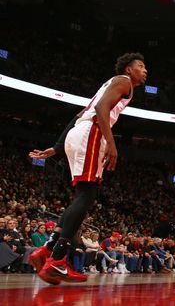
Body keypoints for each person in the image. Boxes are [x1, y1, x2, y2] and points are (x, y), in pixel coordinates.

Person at [28, 53, 147, 285]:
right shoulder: (123, 81)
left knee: (83, 195)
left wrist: (56, 147)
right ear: (129, 69)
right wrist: (111, 143)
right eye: (141, 66)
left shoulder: (109, 85)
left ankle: (47, 251)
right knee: (86, 196)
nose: (145, 71)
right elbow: (102, 109)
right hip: (91, 134)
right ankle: (57, 260)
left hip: (78, 133)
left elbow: (79, 114)